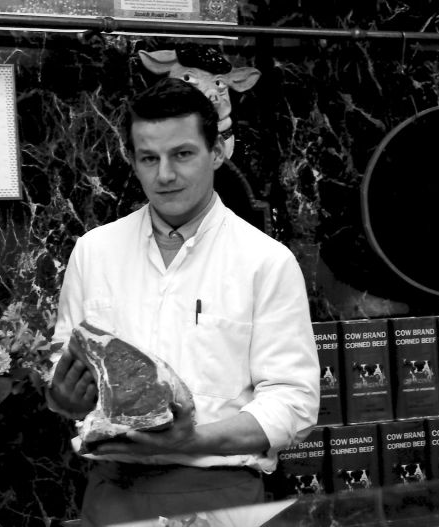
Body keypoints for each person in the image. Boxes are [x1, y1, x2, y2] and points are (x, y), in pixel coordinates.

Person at [47, 77, 319, 526]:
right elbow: (62, 364)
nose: (165, 175)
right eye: (149, 158)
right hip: (110, 492)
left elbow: (293, 401)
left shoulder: (266, 261)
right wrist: (63, 395)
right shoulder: (94, 251)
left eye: (183, 154)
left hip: (220, 494)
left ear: (217, 152)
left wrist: (191, 440)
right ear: (132, 160)